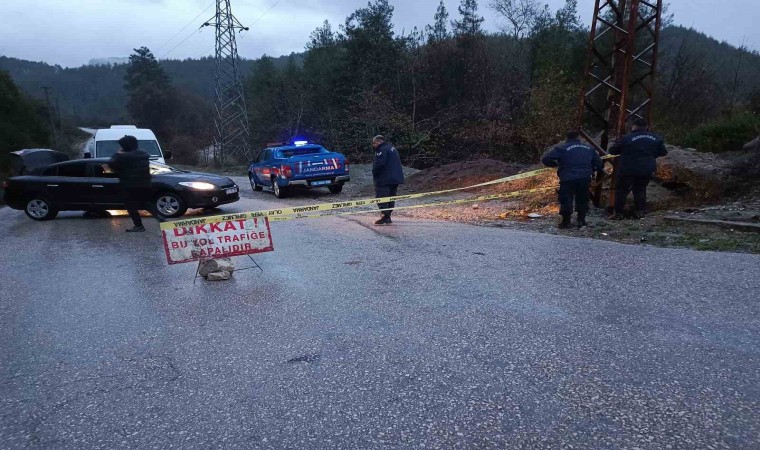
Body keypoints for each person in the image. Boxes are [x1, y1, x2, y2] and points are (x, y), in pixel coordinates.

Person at [542, 130, 605, 229]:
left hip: (568, 178)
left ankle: (566, 222)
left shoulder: (561, 148)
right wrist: (592, 168)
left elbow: (545, 159)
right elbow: (599, 164)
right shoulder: (589, 148)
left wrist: (555, 164)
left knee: (566, 199)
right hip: (584, 177)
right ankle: (581, 221)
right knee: (583, 198)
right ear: (578, 137)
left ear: (567, 138)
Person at [608, 118, 668, 219]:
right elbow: (663, 152)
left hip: (628, 169)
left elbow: (613, 151)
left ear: (634, 126)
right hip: (646, 169)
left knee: (622, 191)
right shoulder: (656, 138)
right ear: (647, 127)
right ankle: (640, 212)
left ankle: (618, 213)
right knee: (640, 190)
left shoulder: (626, 138)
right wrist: (652, 155)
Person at [108, 135, 156, 232]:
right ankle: (161, 218)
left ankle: (138, 226)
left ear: (125, 146)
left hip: (129, 186)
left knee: (130, 206)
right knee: (146, 203)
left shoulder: (121, 156)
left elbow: (112, 165)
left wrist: (118, 152)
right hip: (145, 184)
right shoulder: (143, 154)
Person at [371, 135, 405, 225]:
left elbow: (379, 164)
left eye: (374, 143)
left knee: (381, 197)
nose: (373, 146)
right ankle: (387, 216)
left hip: (384, 178)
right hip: (395, 178)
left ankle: (385, 216)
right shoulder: (391, 148)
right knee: (391, 197)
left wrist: (374, 172)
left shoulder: (381, 150)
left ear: (379, 142)